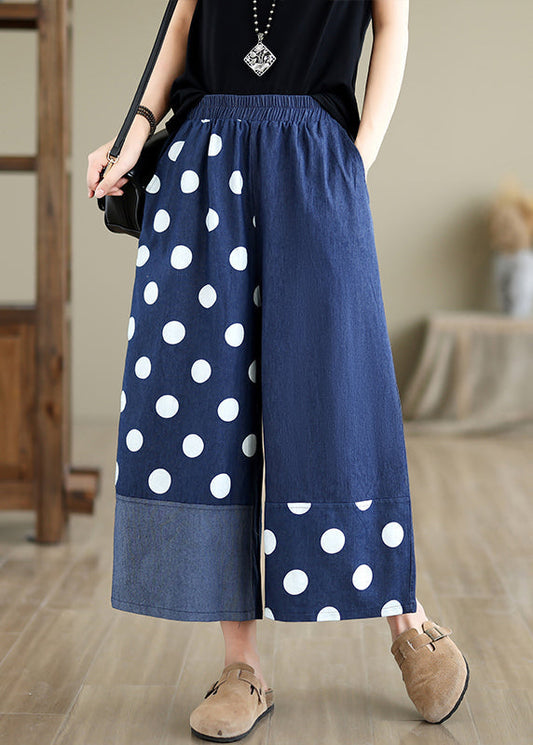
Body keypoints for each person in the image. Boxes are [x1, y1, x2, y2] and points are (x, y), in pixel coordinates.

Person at [87, 1, 470, 741]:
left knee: (339, 393)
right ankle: (242, 665)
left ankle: (406, 618)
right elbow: (179, 28)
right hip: (202, 162)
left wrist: (358, 155)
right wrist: (132, 138)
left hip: (315, 156)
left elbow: (392, 21)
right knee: (203, 407)